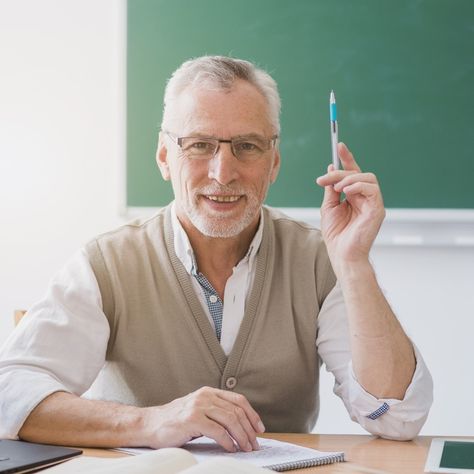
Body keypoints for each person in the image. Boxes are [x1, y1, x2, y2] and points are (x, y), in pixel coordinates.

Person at [0, 56, 432, 453]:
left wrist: (354, 264)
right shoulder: (106, 264)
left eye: (246, 146)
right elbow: (9, 394)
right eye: (200, 145)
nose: (223, 173)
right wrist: (149, 422)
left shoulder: (319, 261)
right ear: (165, 156)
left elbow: (398, 417)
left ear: (274, 162)